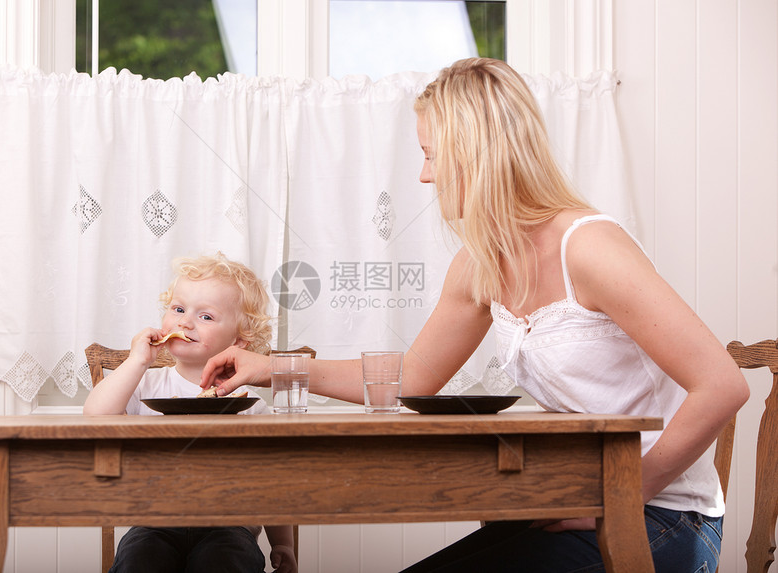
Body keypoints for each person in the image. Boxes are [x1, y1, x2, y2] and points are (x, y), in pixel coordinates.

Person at [200, 58, 750, 572]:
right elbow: (411, 378)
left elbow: (722, 387)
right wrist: (268, 366)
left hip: (664, 517)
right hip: (578, 501)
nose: (424, 176)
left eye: (431, 154)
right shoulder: (480, 264)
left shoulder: (589, 247)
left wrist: (621, 494)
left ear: (476, 152)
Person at [83, 253, 297, 573]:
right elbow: (94, 416)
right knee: (136, 562)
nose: (184, 322)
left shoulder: (248, 401)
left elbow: (272, 479)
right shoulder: (143, 384)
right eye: (179, 309)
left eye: (206, 317)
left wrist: (283, 543)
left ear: (238, 340)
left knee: (227, 563)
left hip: (228, 527)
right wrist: (138, 361)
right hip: (152, 524)